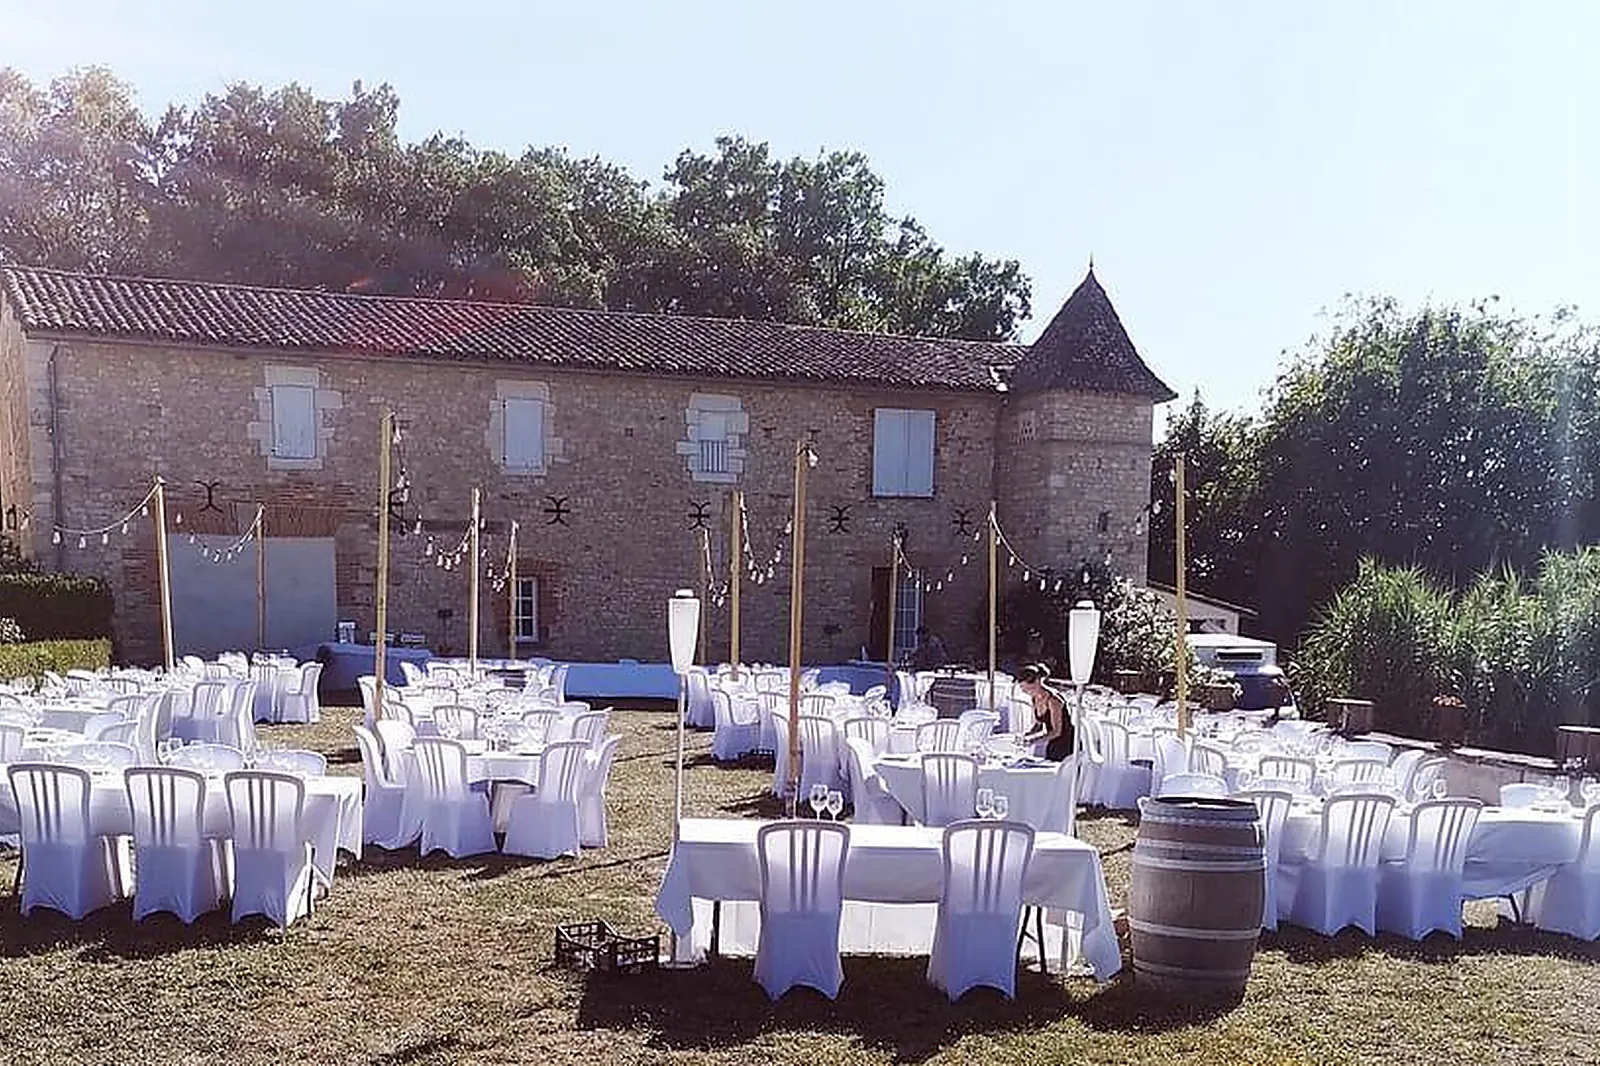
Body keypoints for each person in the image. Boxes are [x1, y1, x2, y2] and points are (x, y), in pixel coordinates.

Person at [1017, 662, 1075, 762]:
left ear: (1038, 682)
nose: (1027, 693)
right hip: (1052, 741)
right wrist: (1026, 736)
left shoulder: (1053, 700)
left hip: (1066, 744)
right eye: (1024, 690)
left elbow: (1057, 731)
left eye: (1029, 689)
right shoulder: (1035, 698)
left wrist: (1033, 741)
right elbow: (1038, 725)